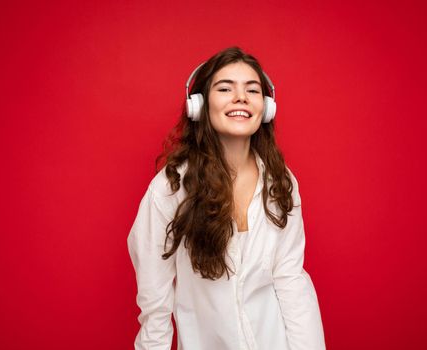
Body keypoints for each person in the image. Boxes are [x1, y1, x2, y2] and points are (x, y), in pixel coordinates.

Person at [127, 46, 326, 350]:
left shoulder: (281, 181)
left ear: (266, 107)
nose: (241, 97)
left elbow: (291, 280)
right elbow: (155, 302)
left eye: (252, 90)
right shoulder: (170, 188)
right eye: (225, 88)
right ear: (199, 105)